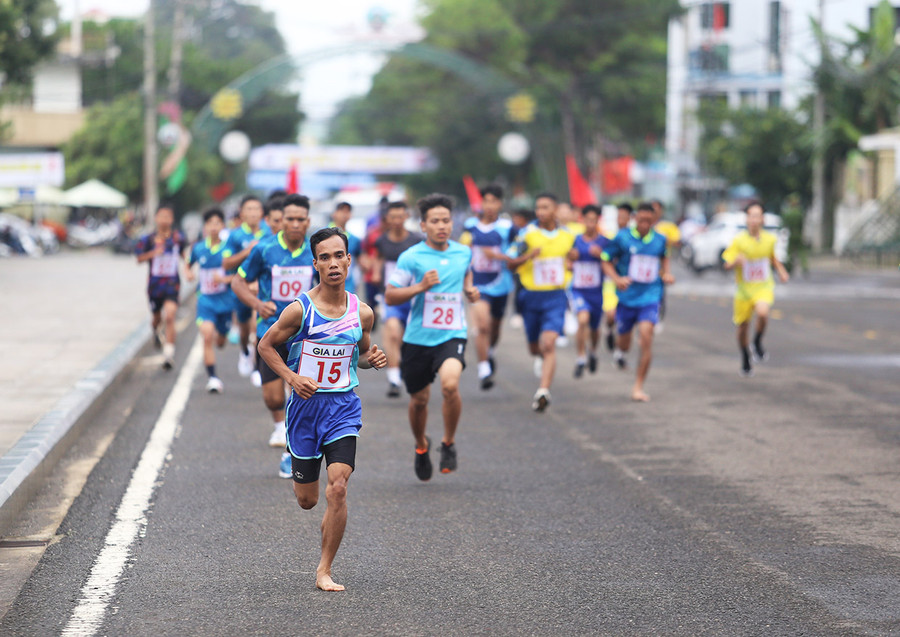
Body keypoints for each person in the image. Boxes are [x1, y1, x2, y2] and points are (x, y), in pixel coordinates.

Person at [258, 227, 387, 592]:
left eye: (339, 256)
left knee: (339, 488)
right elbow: (265, 346)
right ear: (315, 263)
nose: (333, 263)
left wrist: (371, 358)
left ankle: (324, 570)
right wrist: (291, 378)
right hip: (304, 411)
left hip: (343, 408)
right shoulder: (300, 310)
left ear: (349, 260)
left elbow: (359, 355)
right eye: (325, 257)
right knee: (308, 500)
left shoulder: (362, 313)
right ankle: (327, 517)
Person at [385, 194, 479, 480]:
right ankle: (421, 445)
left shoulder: (463, 252)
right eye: (435, 221)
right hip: (417, 339)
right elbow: (390, 294)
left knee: (450, 386)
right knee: (419, 400)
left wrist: (469, 290)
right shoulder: (411, 257)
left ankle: (448, 443)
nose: (442, 226)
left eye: (446, 220)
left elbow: (466, 275)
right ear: (423, 225)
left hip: (452, 333)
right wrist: (420, 287)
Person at [232, 194, 314, 457]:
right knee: (273, 397)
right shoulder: (265, 249)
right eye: (289, 219)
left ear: (307, 221)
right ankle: (280, 423)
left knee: (300, 391)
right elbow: (238, 282)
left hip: (305, 334)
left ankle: (293, 446)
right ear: (280, 221)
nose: (294, 224)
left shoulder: (316, 251)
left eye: (300, 219)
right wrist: (257, 304)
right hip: (271, 330)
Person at [506, 192, 575, 412]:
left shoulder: (568, 235)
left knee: (549, 343)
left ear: (555, 209)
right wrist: (527, 256)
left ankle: (543, 390)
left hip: (555, 296)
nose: (540, 212)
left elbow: (575, 257)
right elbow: (510, 263)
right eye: (538, 208)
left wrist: (573, 260)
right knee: (534, 347)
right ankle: (540, 358)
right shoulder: (527, 234)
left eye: (545, 207)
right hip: (531, 296)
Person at [601, 202, 674, 402]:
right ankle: (619, 348)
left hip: (650, 296)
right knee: (624, 343)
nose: (644, 224)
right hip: (627, 298)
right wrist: (617, 279)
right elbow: (605, 259)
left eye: (648, 221)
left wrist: (666, 274)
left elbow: (664, 257)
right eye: (641, 220)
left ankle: (638, 387)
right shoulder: (622, 238)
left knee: (646, 337)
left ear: (654, 220)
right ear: (635, 219)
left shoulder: (660, 240)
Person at [722, 201, 789, 376]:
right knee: (743, 327)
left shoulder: (769, 239)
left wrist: (781, 272)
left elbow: (773, 258)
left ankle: (757, 341)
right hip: (744, 290)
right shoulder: (739, 241)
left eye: (757, 216)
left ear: (762, 219)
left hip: (763, 286)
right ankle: (745, 355)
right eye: (751, 216)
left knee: (763, 313)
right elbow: (726, 263)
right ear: (747, 219)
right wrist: (736, 261)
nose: (754, 220)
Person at [459, 184, 515, 390]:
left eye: (494, 201)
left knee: (494, 328)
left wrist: (496, 256)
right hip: (477, 284)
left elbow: (514, 256)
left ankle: (489, 351)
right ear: (481, 202)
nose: (490, 205)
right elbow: (463, 249)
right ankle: (484, 369)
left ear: (500, 203)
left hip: (500, 284)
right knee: (481, 326)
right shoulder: (470, 225)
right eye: (486, 201)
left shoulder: (507, 228)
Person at [374, 201, 422, 398]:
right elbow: (379, 260)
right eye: (392, 217)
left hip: (413, 297)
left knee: (405, 340)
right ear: (387, 219)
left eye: (400, 217)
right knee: (392, 332)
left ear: (406, 216)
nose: (396, 221)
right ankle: (394, 379)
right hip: (391, 297)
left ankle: (402, 367)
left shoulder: (416, 240)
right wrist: (376, 273)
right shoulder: (382, 241)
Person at [223, 195, 271, 381]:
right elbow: (226, 263)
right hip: (242, 288)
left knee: (258, 326)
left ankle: (259, 367)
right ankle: (245, 350)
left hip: (262, 290)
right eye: (248, 209)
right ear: (242, 213)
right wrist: (247, 251)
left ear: (262, 213)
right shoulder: (235, 236)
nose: (252, 213)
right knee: (244, 329)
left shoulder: (269, 233)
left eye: (256, 209)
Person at [186, 208, 233, 393]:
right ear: (205, 226)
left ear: (222, 225)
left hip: (226, 302)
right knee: (207, 336)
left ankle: (223, 334)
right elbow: (188, 265)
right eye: (210, 223)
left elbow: (240, 275)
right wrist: (189, 272)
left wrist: (224, 280)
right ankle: (213, 378)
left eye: (217, 223)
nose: (213, 227)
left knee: (220, 341)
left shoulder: (229, 249)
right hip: (205, 301)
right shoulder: (198, 248)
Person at [134, 203, 187, 370]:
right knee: (156, 318)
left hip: (172, 284)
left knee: (170, 315)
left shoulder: (178, 238)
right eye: (161, 216)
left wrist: (188, 268)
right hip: (155, 286)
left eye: (168, 216)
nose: (164, 219)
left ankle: (168, 354)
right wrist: (153, 253)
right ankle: (156, 331)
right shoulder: (148, 239)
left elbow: (184, 255)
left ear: (172, 219)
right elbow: (139, 259)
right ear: (156, 218)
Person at [567, 204, 609, 378]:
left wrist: (601, 255)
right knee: (582, 319)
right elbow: (567, 261)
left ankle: (592, 351)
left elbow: (611, 261)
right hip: (579, 289)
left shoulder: (604, 241)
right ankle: (580, 357)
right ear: (582, 220)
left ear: (598, 221)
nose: (590, 224)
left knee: (594, 328)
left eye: (594, 220)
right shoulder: (575, 239)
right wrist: (571, 259)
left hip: (596, 291)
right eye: (587, 220)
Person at [603, 203, 633, 355]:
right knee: (611, 315)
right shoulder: (609, 236)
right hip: (611, 281)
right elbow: (604, 257)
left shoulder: (633, 238)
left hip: (629, 284)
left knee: (625, 319)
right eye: (618, 216)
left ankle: (619, 354)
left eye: (624, 217)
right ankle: (609, 329)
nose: (620, 219)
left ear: (630, 218)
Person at [650, 199, 681, 332]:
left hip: (662, 262)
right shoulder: (645, 225)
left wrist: (666, 239)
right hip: (647, 262)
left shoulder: (667, 227)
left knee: (659, 291)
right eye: (652, 208)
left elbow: (677, 242)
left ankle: (657, 316)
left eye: (657, 209)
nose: (655, 212)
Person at [329, 201, 362, 295]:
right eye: (341, 211)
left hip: (348, 285)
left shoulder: (354, 239)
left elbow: (360, 260)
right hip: (327, 284)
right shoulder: (322, 236)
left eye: (347, 211)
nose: (344, 214)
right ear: (334, 214)